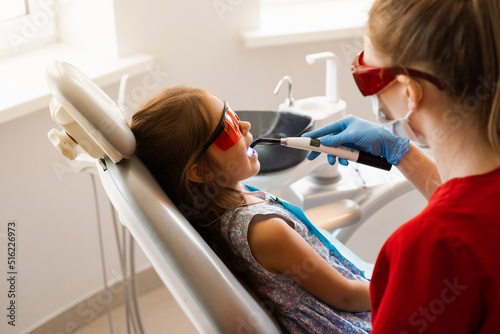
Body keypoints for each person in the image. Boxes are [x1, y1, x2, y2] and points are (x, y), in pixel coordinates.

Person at [304, 0, 500, 332]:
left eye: (367, 77)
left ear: (410, 92)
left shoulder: (427, 249)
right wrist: (402, 153)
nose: (369, 94)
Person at [130, 85, 373, 333]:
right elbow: (345, 297)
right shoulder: (267, 230)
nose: (245, 125)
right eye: (229, 128)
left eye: (233, 114)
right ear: (201, 171)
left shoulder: (220, 208)